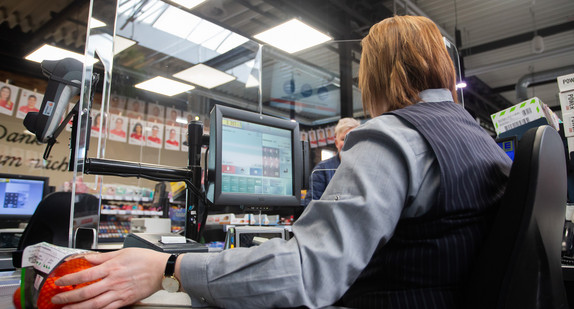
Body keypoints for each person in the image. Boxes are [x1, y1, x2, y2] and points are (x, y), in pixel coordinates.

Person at [51, 16, 512, 309]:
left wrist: (168, 269)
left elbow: (307, 271)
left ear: (376, 76)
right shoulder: (483, 139)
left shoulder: (394, 138)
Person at [303, 117, 360, 206]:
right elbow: (310, 207)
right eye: (343, 139)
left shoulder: (367, 169)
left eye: (353, 138)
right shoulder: (322, 170)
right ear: (336, 143)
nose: (348, 142)